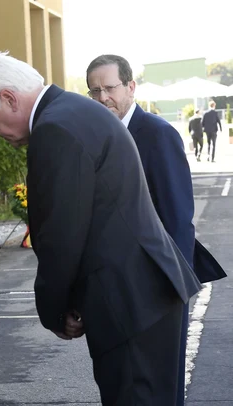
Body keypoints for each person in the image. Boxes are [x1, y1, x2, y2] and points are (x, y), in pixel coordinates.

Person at [0, 51, 202, 405]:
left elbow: (62, 233)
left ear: (9, 98)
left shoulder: (55, 128)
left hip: (129, 302)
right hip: (142, 296)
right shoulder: (73, 109)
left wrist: (55, 310)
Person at [85, 54, 227, 406]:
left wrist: (172, 287)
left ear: (131, 87)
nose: (103, 98)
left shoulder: (158, 134)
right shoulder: (99, 136)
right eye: (94, 91)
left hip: (159, 288)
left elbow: (178, 219)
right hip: (121, 291)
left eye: (109, 88)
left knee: (160, 390)